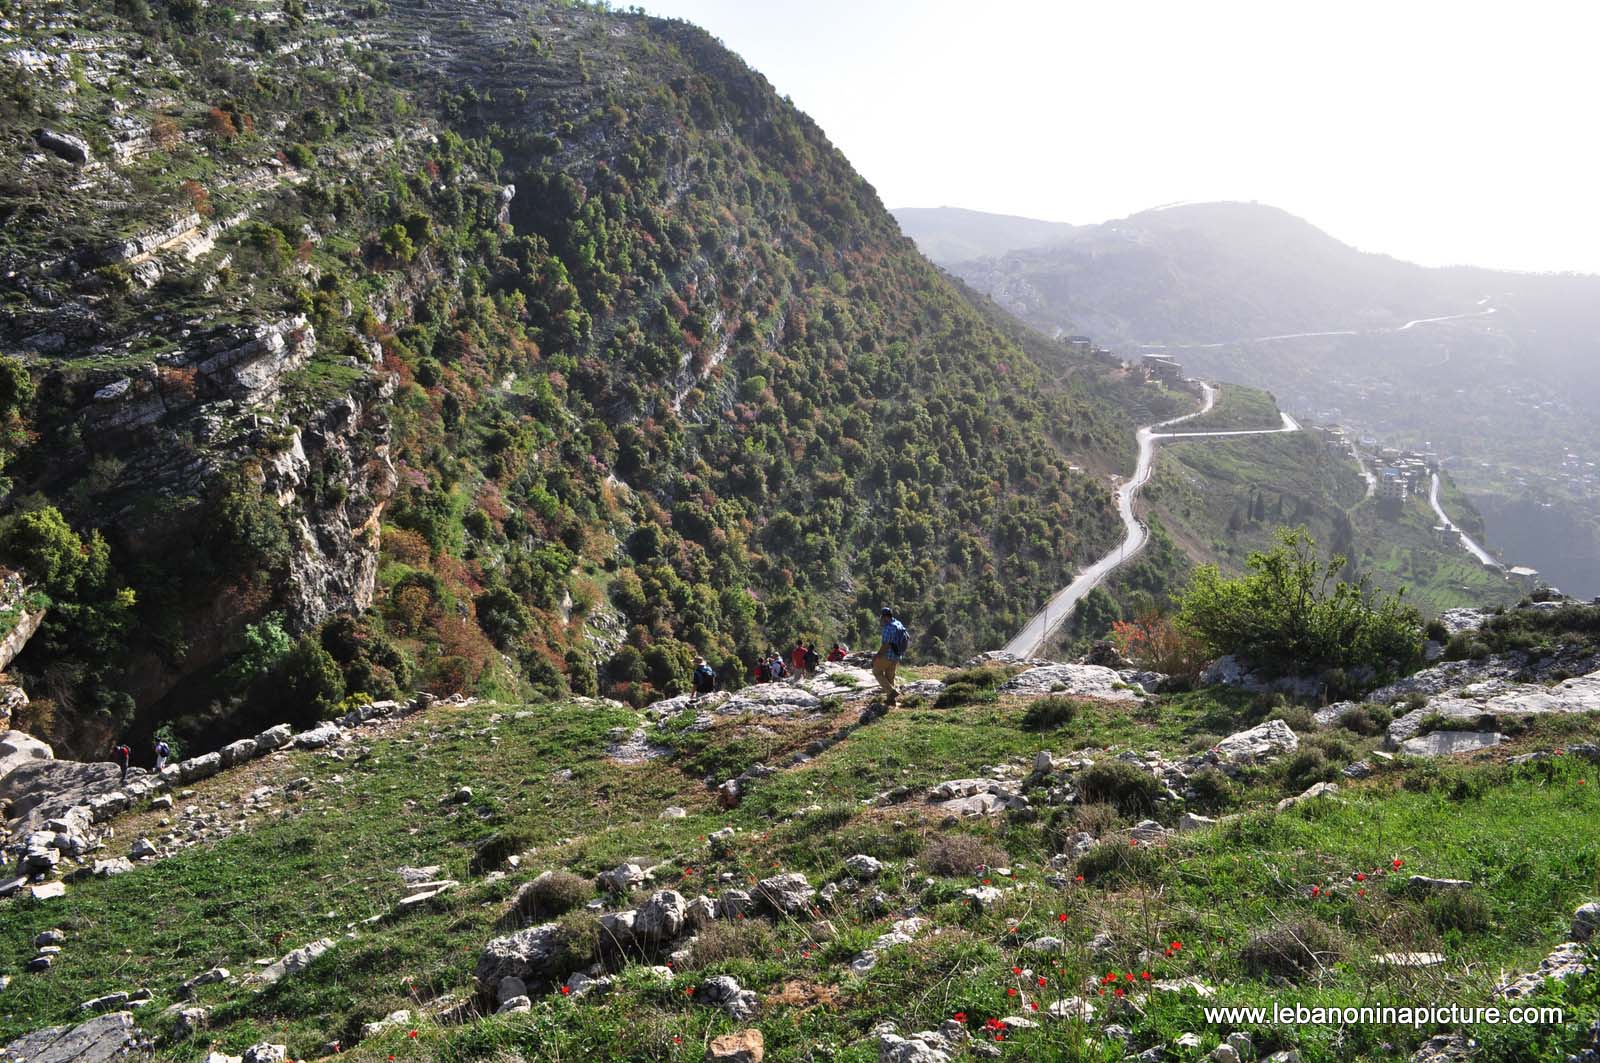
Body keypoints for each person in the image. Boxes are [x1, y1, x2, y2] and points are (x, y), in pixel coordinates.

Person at [873, 607, 910, 704]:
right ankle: (891, 700)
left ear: (885, 617)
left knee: (876, 671)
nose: (881, 619)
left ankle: (891, 692)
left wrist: (877, 656)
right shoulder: (898, 623)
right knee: (890, 677)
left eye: (882, 617)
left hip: (888, 655)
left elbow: (886, 645)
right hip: (897, 655)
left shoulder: (888, 627)